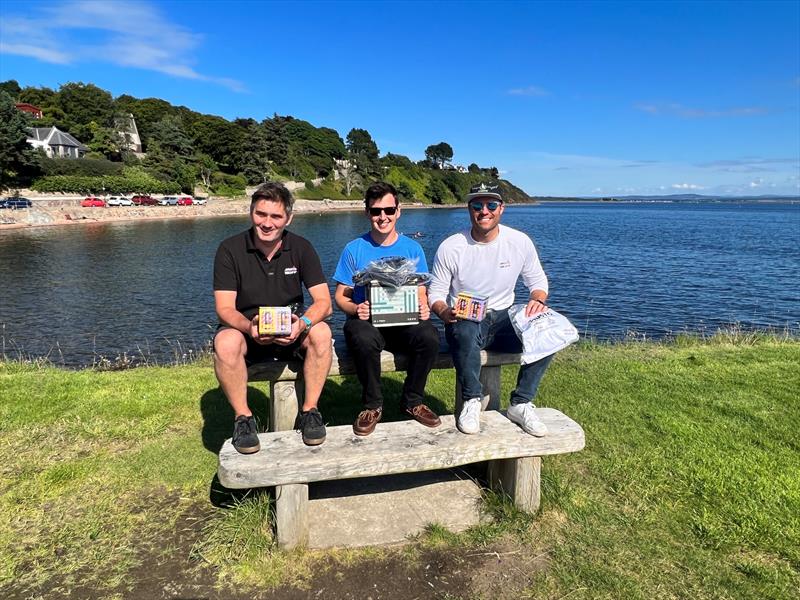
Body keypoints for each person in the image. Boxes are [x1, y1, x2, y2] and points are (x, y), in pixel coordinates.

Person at [213, 183, 333, 452]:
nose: (267, 223)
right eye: (261, 214)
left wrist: (303, 323)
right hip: (248, 331)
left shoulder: (301, 248)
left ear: (288, 218)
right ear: (251, 213)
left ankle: (310, 411)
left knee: (322, 332)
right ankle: (243, 418)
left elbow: (324, 303)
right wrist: (248, 326)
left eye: (276, 216)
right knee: (225, 342)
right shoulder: (229, 249)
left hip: (291, 330)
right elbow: (224, 308)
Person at [429, 182, 553, 436]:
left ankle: (521, 402)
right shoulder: (451, 247)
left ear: (501, 209)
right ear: (469, 209)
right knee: (462, 330)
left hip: (505, 318)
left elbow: (538, 282)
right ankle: (472, 400)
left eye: (491, 205)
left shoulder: (519, 241)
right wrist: (444, 312)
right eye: (477, 205)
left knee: (547, 330)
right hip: (467, 320)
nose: (484, 211)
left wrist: (537, 301)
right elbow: (436, 294)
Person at [333, 181, 441, 436]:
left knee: (430, 336)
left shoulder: (412, 248)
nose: (383, 217)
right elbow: (340, 296)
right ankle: (373, 405)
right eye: (376, 211)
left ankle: (412, 401)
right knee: (361, 337)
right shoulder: (354, 248)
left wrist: (423, 308)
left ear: (398, 211)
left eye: (389, 210)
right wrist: (356, 308)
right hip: (367, 320)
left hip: (403, 319)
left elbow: (421, 290)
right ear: (367, 213)